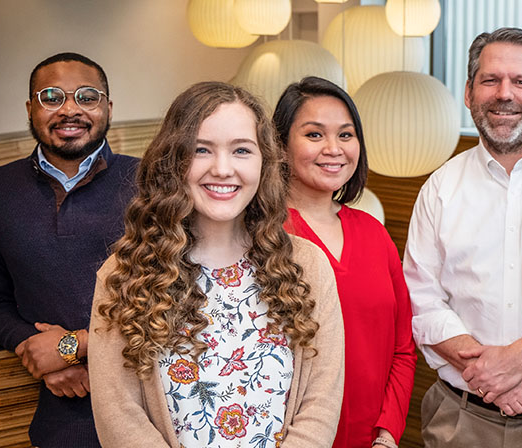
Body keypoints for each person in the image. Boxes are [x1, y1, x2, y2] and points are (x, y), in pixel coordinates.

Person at [87, 81, 345, 448]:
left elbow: (322, 400)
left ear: (264, 161)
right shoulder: (125, 273)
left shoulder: (307, 267)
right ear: (172, 161)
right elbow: (119, 414)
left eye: (241, 150)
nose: (223, 169)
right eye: (201, 150)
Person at [405, 27, 522, 447]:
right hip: (459, 419)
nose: (505, 94)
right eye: (490, 80)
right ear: (469, 92)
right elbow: (421, 298)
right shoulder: (439, 187)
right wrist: (489, 376)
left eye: (521, 82)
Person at [0, 52, 137, 447]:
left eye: (87, 96)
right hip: (60, 423)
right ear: (31, 109)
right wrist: (37, 352)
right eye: (52, 97)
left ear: (108, 108)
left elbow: (185, 301)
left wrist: (69, 348)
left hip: (152, 411)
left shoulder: (152, 183)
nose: (70, 110)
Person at [273, 76, 417, 448]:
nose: (334, 149)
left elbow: (403, 347)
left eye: (346, 135)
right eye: (314, 135)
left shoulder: (373, 233)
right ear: (280, 146)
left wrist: (387, 435)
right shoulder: (263, 238)